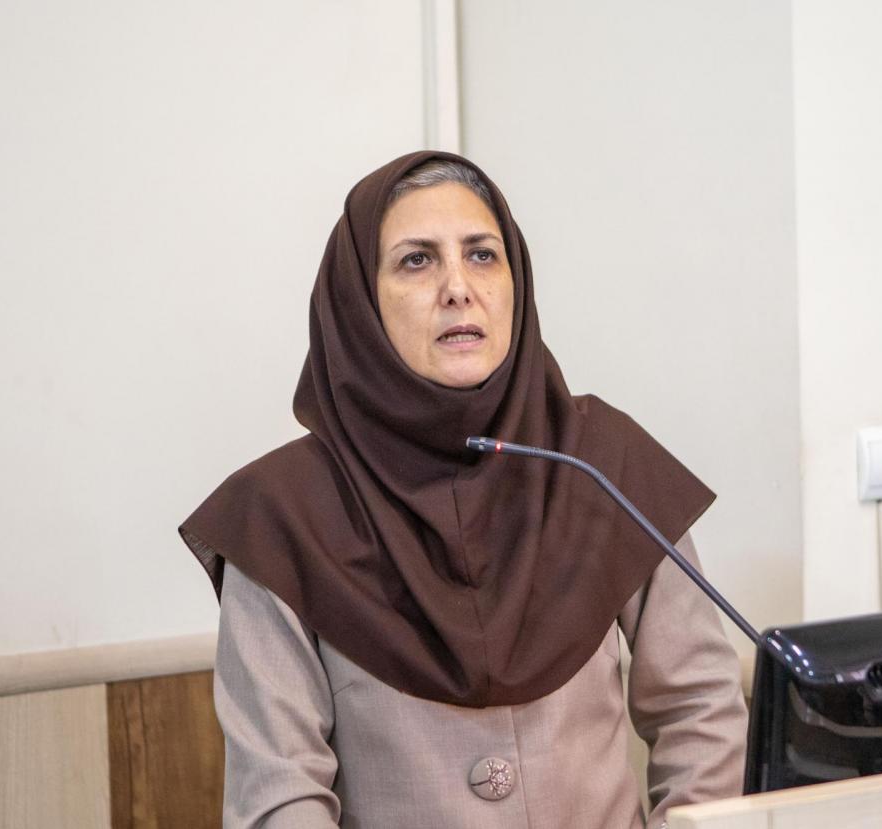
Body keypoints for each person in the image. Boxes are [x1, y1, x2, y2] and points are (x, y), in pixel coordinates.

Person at [180, 151, 748, 828]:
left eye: (482, 255)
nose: (458, 287)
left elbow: (701, 713)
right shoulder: (279, 516)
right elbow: (281, 797)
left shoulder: (602, 461)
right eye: (416, 260)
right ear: (359, 300)